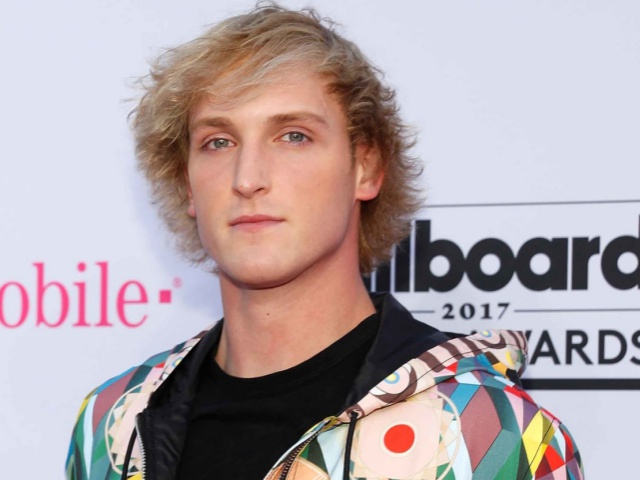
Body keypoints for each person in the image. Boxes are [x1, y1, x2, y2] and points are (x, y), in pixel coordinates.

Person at [66, 4, 583, 480]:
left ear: (367, 168)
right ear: (187, 185)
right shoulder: (113, 426)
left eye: (293, 136)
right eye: (218, 142)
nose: (247, 178)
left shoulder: (487, 435)